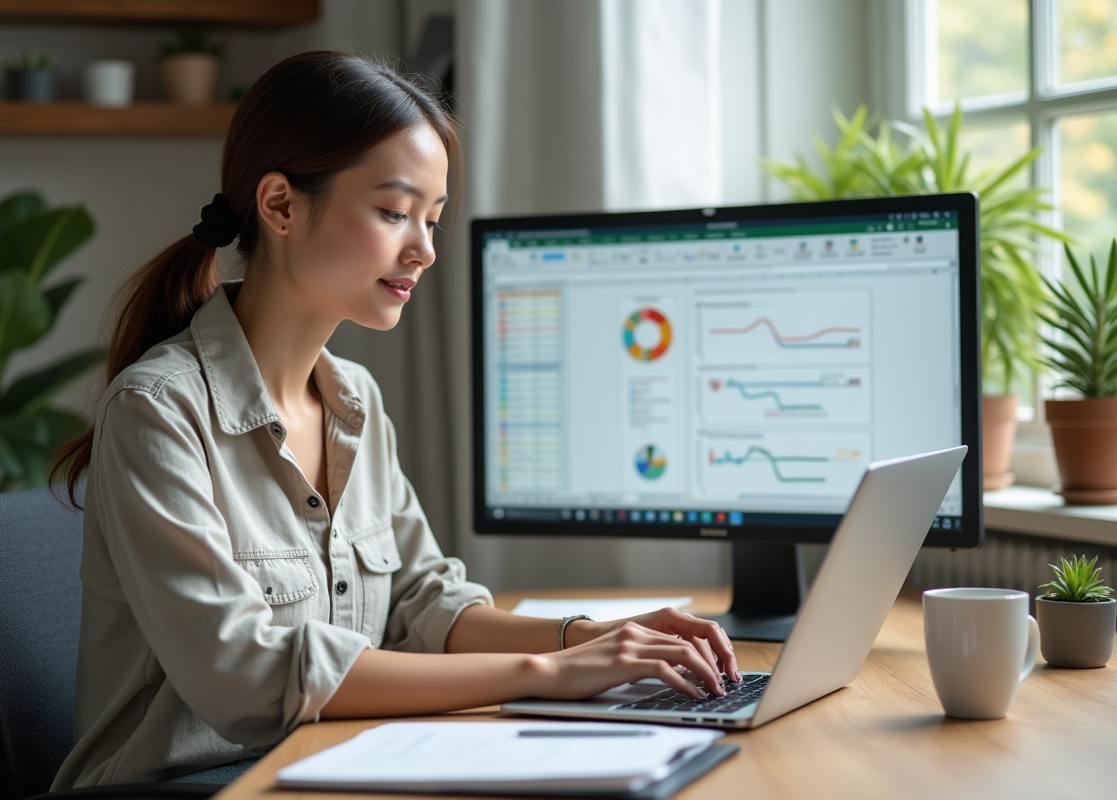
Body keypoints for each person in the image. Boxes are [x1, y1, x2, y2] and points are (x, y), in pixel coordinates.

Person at [50, 51, 740, 788]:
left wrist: (596, 639)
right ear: (280, 206)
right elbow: (244, 676)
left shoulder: (356, 400)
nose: (425, 249)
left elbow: (422, 604)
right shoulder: (158, 412)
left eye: (433, 220)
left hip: (329, 759)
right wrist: (550, 671)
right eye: (393, 212)